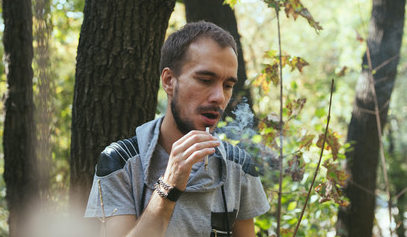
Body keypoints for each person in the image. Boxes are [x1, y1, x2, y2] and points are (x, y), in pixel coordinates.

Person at [84, 21, 269, 237]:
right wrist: (169, 186)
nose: (219, 97)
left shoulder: (239, 167)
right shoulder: (120, 163)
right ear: (169, 81)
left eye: (228, 86)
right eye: (206, 80)